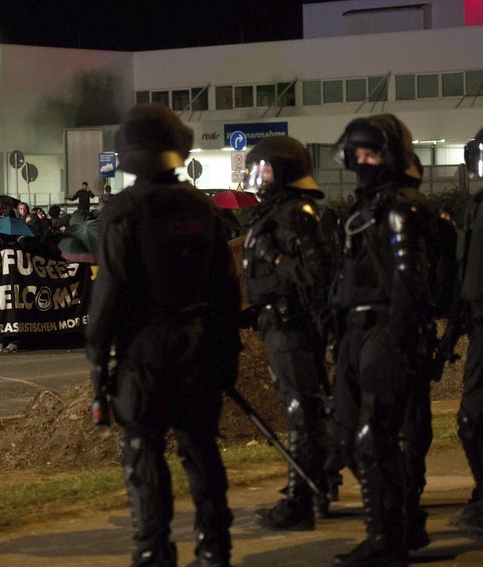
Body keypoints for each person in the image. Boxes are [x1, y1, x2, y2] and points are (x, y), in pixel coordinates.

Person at [86, 103, 241, 567]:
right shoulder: (203, 207)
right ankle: (215, 548)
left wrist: (98, 360)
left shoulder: (125, 210)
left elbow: (107, 295)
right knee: (200, 447)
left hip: (145, 349)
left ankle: (154, 550)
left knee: (143, 447)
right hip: (199, 343)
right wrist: (225, 353)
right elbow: (226, 291)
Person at [328, 114, 434, 565]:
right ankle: (399, 528)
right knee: (348, 439)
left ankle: (387, 538)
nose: (362, 161)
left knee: (375, 439)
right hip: (356, 334)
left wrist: (399, 340)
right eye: (357, 154)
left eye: (370, 153)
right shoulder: (361, 210)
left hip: (386, 333)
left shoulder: (399, 208)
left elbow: (411, 283)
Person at [241, 136, 335, 531]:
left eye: (262, 169)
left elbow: (316, 274)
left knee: (301, 410)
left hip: (293, 325)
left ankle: (302, 499)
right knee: (304, 409)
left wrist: (271, 256)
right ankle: (318, 486)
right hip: (278, 325)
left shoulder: (298, 213)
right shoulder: (276, 212)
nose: (256, 177)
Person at [439, 126, 483, 537]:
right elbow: (463, 276)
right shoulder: (474, 209)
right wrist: (453, 331)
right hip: (477, 325)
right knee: (471, 418)